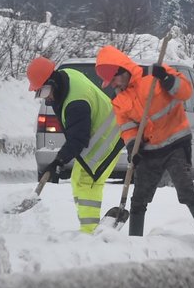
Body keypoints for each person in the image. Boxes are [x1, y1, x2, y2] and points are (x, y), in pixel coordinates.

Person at [95, 45, 194, 250]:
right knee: (138, 200)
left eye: (114, 79)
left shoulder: (153, 77)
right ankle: (135, 246)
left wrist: (167, 80)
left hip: (176, 143)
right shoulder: (119, 99)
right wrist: (133, 145)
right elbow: (127, 127)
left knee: (186, 190)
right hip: (149, 150)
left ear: (122, 70)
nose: (113, 85)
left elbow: (185, 92)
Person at [26, 56, 123, 233]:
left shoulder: (76, 102)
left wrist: (58, 161)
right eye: (39, 94)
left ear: (52, 82)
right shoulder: (66, 76)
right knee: (77, 178)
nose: (45, 99)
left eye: (44, 92)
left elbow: (78, 139)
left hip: (107, 138)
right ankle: (88, 227)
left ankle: (89, 231)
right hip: (98, 134)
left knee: (87, 181)